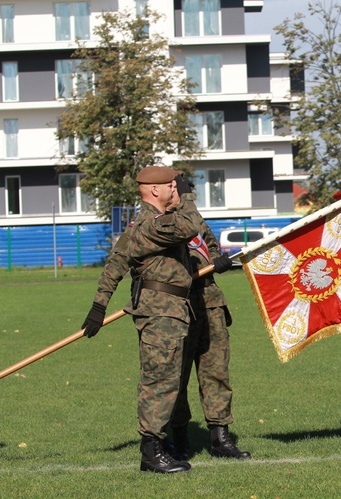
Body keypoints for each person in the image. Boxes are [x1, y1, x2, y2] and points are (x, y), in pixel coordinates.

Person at [81, 166, 201, 473]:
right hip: (160, 314)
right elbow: (191, 225)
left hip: (169, 311)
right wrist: (187, 197)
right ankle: (151, 453)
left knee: (165, 380)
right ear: (156, 191)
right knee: (159, 381)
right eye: (173, 187)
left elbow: (116, 262)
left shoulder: (145, 224)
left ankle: (159, 446)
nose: (177, 191)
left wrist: (99, 306)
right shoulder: (152, 224)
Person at [169, 220, 252, 461]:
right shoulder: (157, 222)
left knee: (216, 373)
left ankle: (220, 438)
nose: (183, 191)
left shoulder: (196, 222)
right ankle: (180, 439)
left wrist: (217, 261)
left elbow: (211, 247)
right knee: (176, 376)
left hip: (210, 302)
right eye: (177, 184)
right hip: (177, 305)